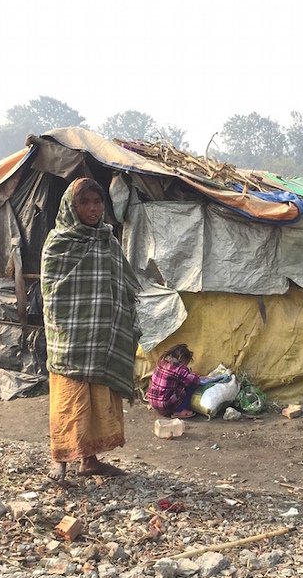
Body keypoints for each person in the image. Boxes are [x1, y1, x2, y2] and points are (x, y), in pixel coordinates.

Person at [40, 177, 141, 483]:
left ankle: (90, 460)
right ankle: (60, 457)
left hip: (100, 336)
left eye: (97, 202)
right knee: (69, 398)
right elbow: (52, 292)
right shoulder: (59, 242)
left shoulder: (108, 240)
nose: (93, 209)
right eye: (84, 202)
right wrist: (74, 323)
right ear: (72, 206)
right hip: (70, 337)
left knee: (95, 399)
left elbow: (122, 284)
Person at [147, 344, 206, 418]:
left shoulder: (162, 362)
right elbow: (194, 381)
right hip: (164, 405)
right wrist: (194, 375)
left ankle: (175, 408)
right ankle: (179, 411)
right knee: (189, 386)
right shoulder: (178, 368)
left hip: (153, 401)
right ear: (181, 358)